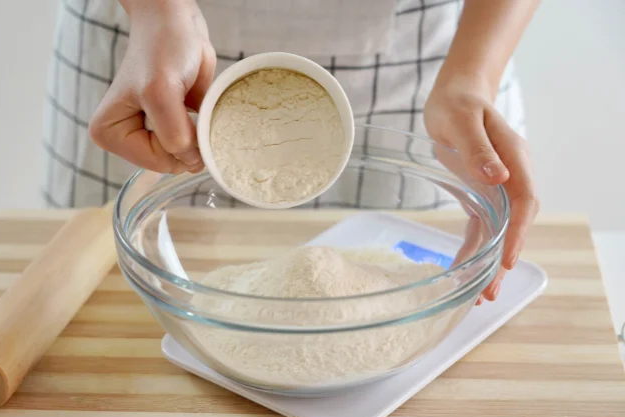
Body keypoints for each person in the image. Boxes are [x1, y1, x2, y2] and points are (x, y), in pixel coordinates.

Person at [40, 0, 540, 301]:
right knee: (100, 296)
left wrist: (473, 76)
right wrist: (158, 13)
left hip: (427, 60)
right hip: (149, 49)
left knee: (410, 284)